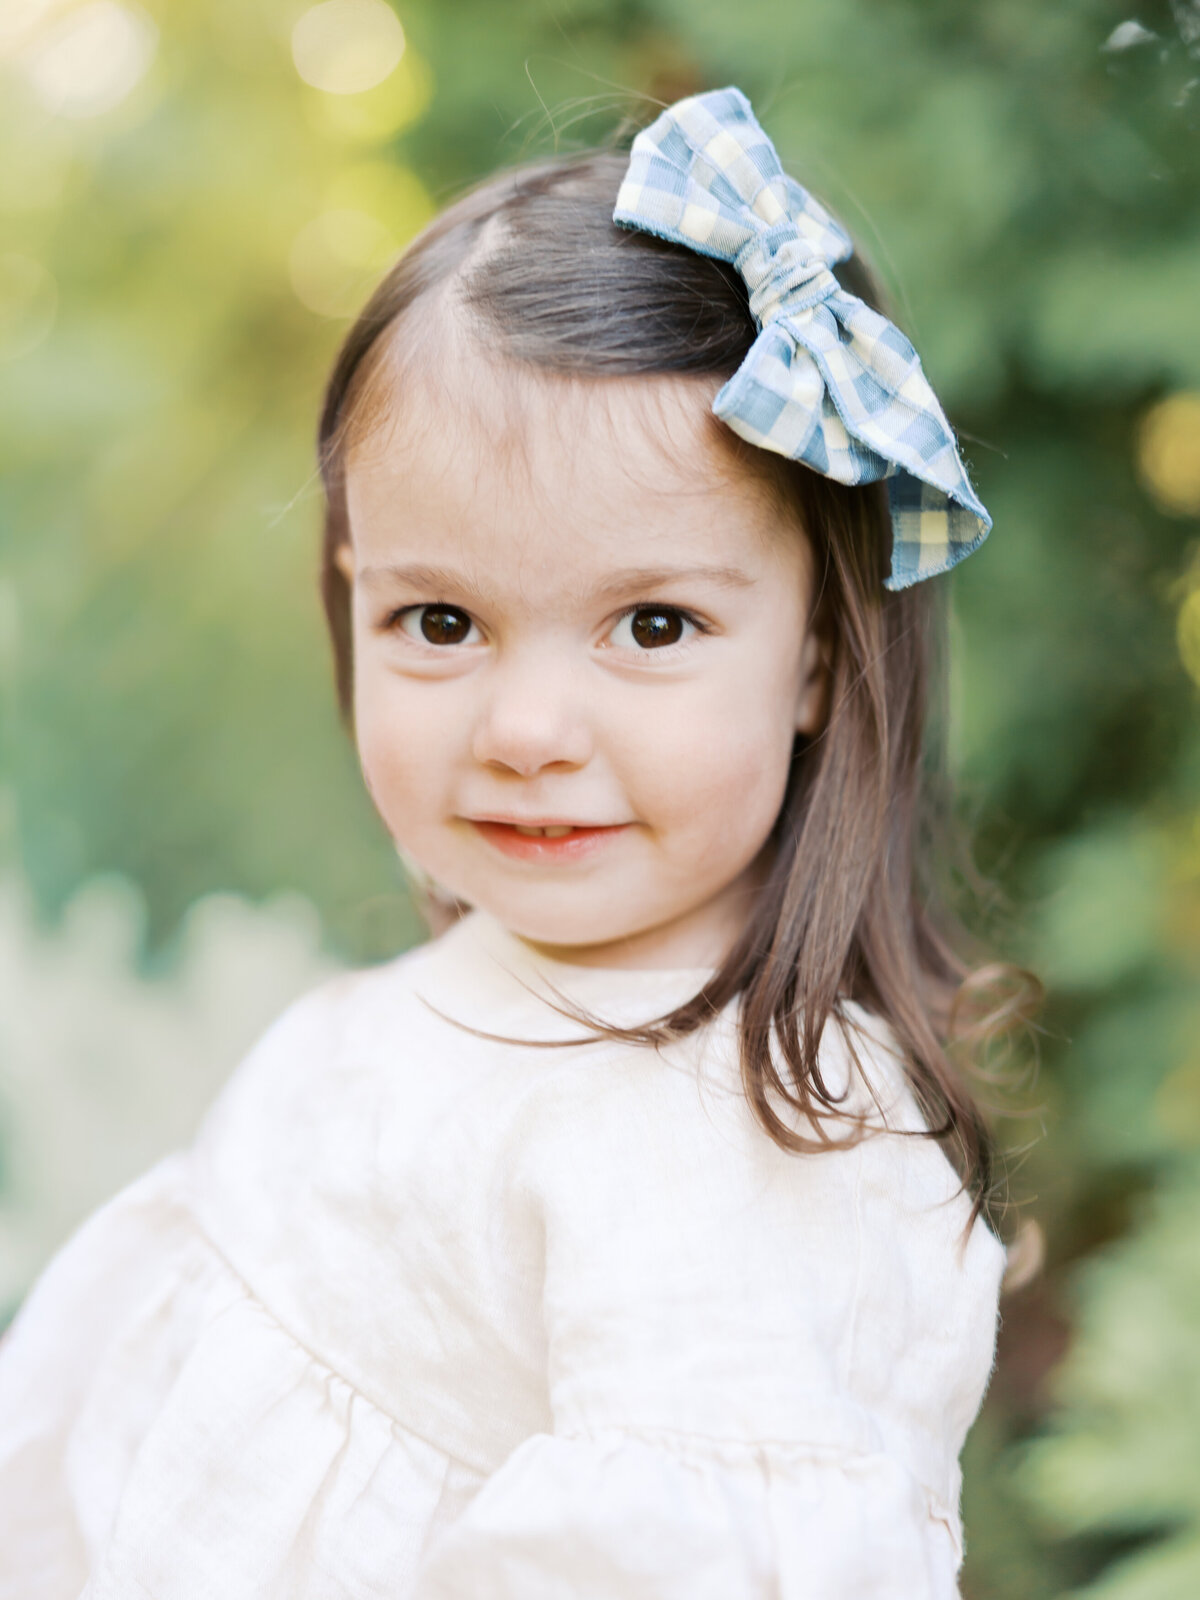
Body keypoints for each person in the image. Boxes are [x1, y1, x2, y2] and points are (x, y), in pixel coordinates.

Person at [0, 87, 1038, 1598]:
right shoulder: (459, 1000)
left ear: (819, 653)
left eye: (653, 626)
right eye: (440, 621)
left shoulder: (766, 1147)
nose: (528, 728)